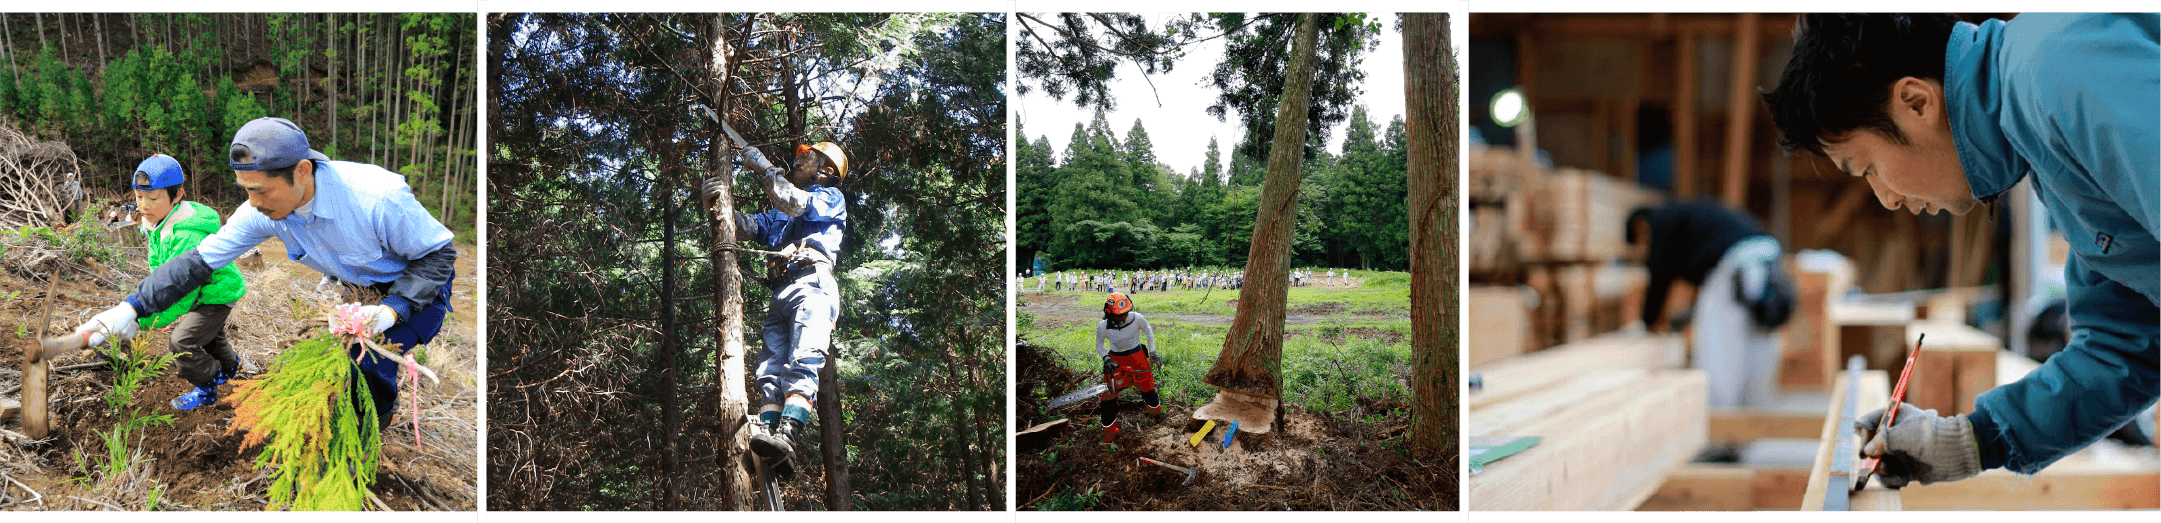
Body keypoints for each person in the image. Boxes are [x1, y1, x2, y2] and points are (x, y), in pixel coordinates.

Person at [1763, 13, 2157, 486]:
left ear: (1915, 102)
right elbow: (2125, 348)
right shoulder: (2047, 153)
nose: (1885, 198)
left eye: (1866, 168)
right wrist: (1974, 438)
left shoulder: (2058, 68)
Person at [71, 117, 458, 432]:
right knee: (343, 365)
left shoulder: (377, 199)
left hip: (418, 288)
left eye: (261, 191)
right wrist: (131, 308)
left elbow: (439, 256)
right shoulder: (260, 210)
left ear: (302, 172)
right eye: (245, 190)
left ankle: (373, 431)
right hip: (360, 291)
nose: (253, 203)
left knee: (366, 362)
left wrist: (391, 311)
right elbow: (197, 263)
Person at [703, 141, 849, 479]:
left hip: (812, 284)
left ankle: (788, 435)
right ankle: (769, 440)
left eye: (808, 157)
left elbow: (793, 200)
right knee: (769, 369)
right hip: (781, 292)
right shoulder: (779, 216)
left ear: (827, 170)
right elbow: (745, 225)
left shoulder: (829, 198)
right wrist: (713, 204)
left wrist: (765, 169)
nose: (799, 160)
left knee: (803, 358)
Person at [1627, 201, 1794, 410]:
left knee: (1718, 345)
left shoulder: (1662, 221)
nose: (1646, 247)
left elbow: (1659, 275)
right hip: (1765, 253)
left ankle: (1719, 422)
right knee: (1756, 337)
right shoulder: (1691, 218)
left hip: (1736, 261)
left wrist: (1647, 323)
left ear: (1640, 226)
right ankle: (1752, 417)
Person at [113, 155, 249, 411]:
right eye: (139, 197)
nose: (144, 205)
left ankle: (207, 387)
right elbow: (160, 268)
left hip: (217, 292)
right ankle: (231, 367)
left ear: (177, 196)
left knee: (182, 342)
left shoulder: (185, 235)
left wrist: (143, 319)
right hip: (205, 290)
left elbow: (181, 291)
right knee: (209, 336)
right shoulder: (156, 221)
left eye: (153, 199)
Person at [1094, 292, 1160, 441]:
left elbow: (1148, 331)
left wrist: (1153, 353)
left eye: (1125, 313)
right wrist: (1106, 358)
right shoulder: (1103, 326)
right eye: (1119, 315)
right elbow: (1099, 344)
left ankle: (1155, 411)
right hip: (1115, 359)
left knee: (1148, 387)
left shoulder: (1137, 318)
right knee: (1109, 393)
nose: (1124, 317)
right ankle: (1109, 430)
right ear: (1110, 314)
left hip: (1137, 356)